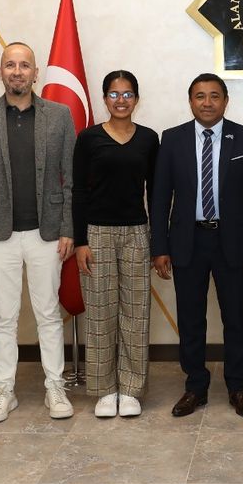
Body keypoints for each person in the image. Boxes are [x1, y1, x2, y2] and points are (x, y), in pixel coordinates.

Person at [0, 42, 76, 423]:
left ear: (35, 73)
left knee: (48, 314)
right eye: (10, 65)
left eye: (24, 65)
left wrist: (68, 228)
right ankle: (3, 391)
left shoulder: (59, 116)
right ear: (0, 72)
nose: (17, 71)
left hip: (48, 233)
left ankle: (55, 387)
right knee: (3, 317)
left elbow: (70, 177)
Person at [150, 73, 243, 418]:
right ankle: (195, 387)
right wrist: (160, 247)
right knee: (190, 318)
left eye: (214, 96)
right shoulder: (172, 139)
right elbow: (160, 198)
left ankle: (237, 386)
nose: (207, 102)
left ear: (226, 101)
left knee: (235, 317)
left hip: (232, 242)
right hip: (187, 241)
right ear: (190, 101)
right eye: (200, 96)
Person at [73, 70, 159, 418]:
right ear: (104, 98)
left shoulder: (149, 139)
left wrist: (157, 240)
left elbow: (155, 192)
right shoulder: (88, 138)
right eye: (113, 94)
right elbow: (78, 191)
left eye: (127, 94)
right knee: (100, 312)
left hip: (137, 232)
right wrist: (80, 241)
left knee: (136, 313)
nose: (120, 100)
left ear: (136, 99)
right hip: (97, 234)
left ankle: (131, 388)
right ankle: (105, 389)